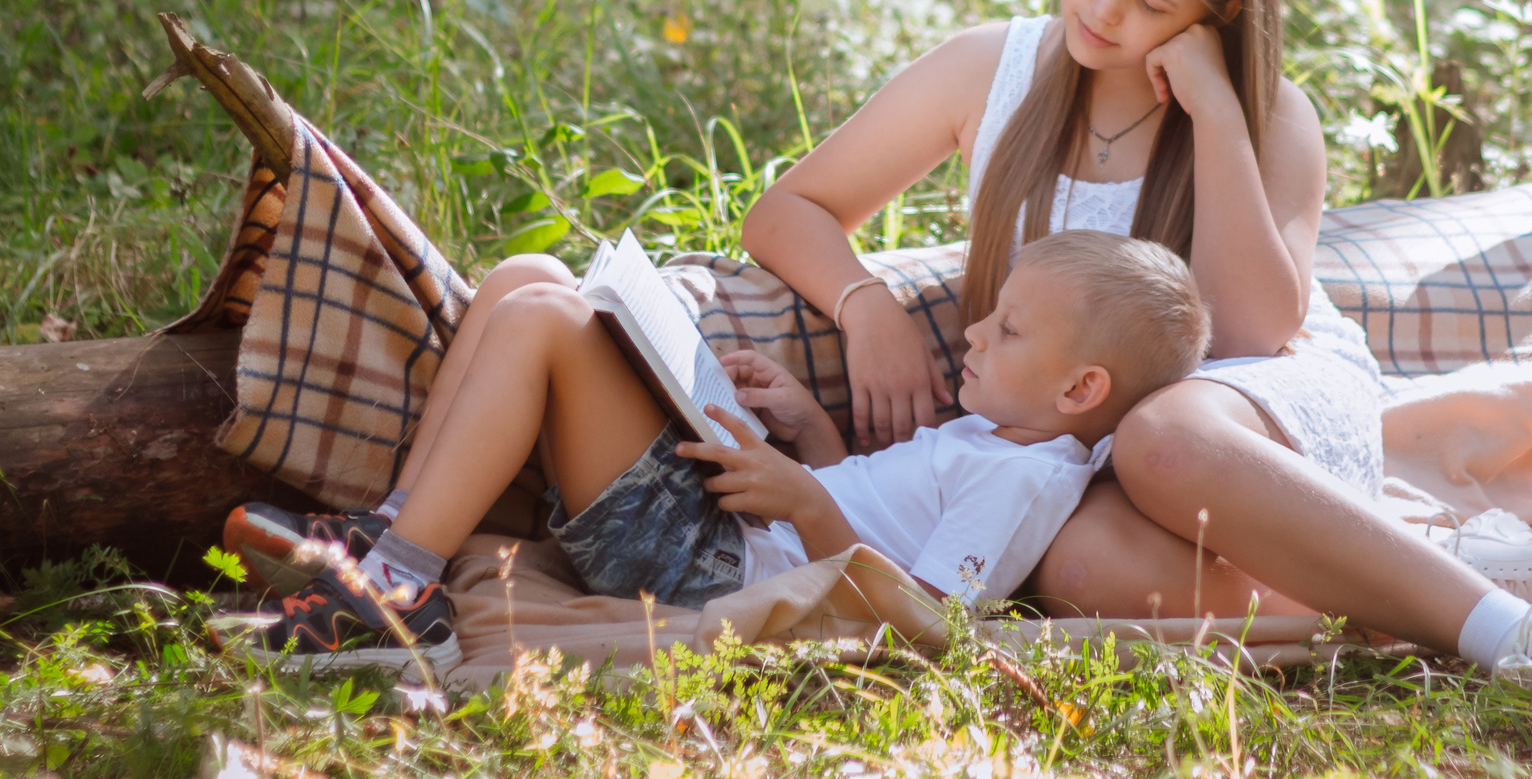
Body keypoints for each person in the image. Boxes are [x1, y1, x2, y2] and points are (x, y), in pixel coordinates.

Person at [737, 0, 1532, 702]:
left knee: (1162, 436)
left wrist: (1214, 110)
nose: (1101, 10)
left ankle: (1522, 638)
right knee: (1074, 567)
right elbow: (786, 209)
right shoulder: (991, 68)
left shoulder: (1271, 114)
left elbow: (1255, 329)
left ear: (1217, 15)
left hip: (1247, 407)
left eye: (1149, 2)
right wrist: (866, 305)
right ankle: (1444, 583)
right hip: (1079, 441)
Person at [230, 230, 1210, 675]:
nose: (976, 335)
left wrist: (796, 502)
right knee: (527, 275)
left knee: (540, 319)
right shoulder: (1001, 432)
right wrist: (807, 437)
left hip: (711, 566)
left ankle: (397, 593)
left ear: (1081, 390)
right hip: (739, 525)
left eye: (1008, 331)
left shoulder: (1024, 479)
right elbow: (870, 502)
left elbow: (922, 621)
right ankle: (393, 539)